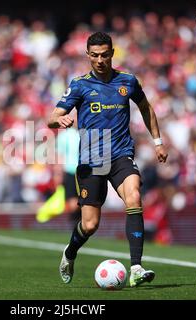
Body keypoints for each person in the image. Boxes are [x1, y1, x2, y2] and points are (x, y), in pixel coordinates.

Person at [47, 32, 168, 287]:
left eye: (104, 54)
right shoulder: (79, 85)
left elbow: (146, 108)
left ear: (112, 53)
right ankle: (70, 252)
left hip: (121, 154)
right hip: (92, 159)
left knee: (134, 195)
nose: (100, 60)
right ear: (87, 55)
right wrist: (60, 119)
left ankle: (136, 267)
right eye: (94, 55)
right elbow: (53, 116)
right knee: (90, 224)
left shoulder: (128, 81)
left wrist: (157, 141)